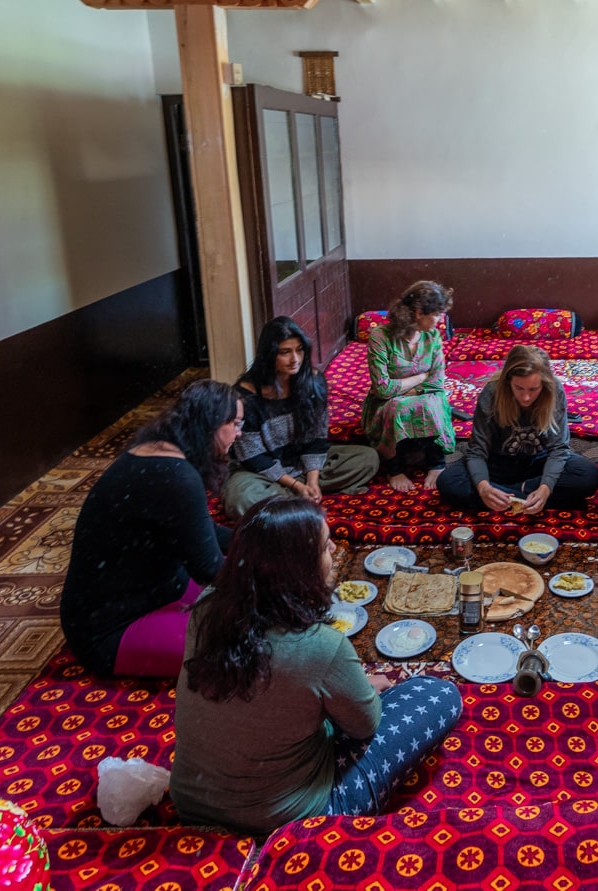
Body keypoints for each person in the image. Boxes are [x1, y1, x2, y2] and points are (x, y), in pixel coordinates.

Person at [172, 498, 462, 834]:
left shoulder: (207, 606)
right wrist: (360, 688)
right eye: (326, 546)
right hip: (290, 820)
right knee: (440, 693)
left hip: (192, 804)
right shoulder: (322, 644)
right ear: (301, 568)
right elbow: (364, 726)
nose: (335, 550)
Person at [60, 379, 241, 677]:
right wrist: (276, 576)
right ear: (210, 425)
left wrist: (265, 541)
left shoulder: (160, 453)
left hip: (154, 591)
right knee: (247, 642)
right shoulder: (176, 476)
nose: (239, 433)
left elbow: (204, 531)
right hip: (109, 629)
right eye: (234, 423)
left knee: (244, 613)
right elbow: (210, 568)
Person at [223, 317, 379, 518]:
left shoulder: (313, 381)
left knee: (368, 459)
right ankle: (291, 495)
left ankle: (283, 501)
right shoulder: (247, 395)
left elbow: (317, 439)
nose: (295, 359)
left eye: (299, 350)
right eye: (285, 352)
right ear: (269, 355)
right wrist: (296, 485)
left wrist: (312, 481)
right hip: (258, 472)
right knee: (241, 498)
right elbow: (253, 456)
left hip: (300, 463)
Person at [436, 345, 598, 514]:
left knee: (588, 474)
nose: (526, 397)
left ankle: (508, 496)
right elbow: (477, 451)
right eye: (519, 388)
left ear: (544, 383)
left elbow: (558, 449)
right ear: (508, 382)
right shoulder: (492, 392)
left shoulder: (554, 390)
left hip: (539, 462)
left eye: (533, 389)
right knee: (448, 482)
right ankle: (539, 500)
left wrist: (545, 488)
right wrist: (484, 487)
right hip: (497, 463)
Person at [362, 280, 456, 492]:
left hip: (421, 395)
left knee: (431, 403)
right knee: (397, 407)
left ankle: (436, 463)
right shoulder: (380, 337)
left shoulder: (432, 336)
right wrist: (421, 377)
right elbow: (382, 389)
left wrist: (406, 388)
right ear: (419, 312)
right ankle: (395, 468)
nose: (440, 320)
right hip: (388, 403)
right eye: (437, 314)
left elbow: (437, 382)